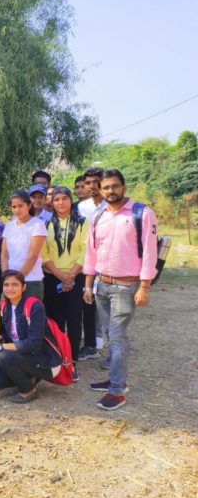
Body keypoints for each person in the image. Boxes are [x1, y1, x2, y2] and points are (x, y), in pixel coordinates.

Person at [83, 169, 157, 411]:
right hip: (101, 284)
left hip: (126, 286)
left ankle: (117, 389)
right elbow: (91, 252)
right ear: (100, 190)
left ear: (123, 187)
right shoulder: (97, 215)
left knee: (117, 337)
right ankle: (115, 379)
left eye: (115, 186)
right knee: (108, 333)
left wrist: (144, 287)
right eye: (106, 187)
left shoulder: (142, 214)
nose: (110, 191)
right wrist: (88, 284)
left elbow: (149, 252)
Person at [0, 270, 62, 403]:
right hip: (23, 357)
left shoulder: (35, 305)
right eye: (6, 285)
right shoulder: (4, 306)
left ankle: (28, 391)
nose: (10, 288)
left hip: (45, 361)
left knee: (4, 356)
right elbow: (11, 335)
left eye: (15, 285)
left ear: (23, 287)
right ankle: (30, 377)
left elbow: (34, 344)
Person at [42, 187, 88, 380]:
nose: (60, 203)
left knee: (74, 320)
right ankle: (60, 358)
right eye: (57, 199)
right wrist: (60, 275)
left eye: (64, 199)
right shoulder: (45, 225)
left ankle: (73, 361)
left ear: (71, 200)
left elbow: (86, 250)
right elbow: (43, 253)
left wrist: (70, 276)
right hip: (53, 277)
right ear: (51, 202)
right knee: (56, 320)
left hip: (75, 276)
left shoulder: (83, 222)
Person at [77, 167, 106, 359]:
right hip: (85, 263)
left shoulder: (112, 205)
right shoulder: (82, 207)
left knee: (104, 307)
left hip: (106, 264)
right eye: (88, 183)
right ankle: (89, 344)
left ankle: (99, 341)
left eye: (96, 182)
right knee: (87, 303)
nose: (92, 186)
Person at [1, 190, 48, 300]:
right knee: (9, 315)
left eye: (20, 206)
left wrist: (18, 279)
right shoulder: (9, 226)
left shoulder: (37, 225)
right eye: (14, 206)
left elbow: (32, 256)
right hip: (10, 281)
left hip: (31, 280)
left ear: (29, 205)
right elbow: (4, 255)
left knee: (30, 315)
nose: (17, 210)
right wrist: (6, 277)